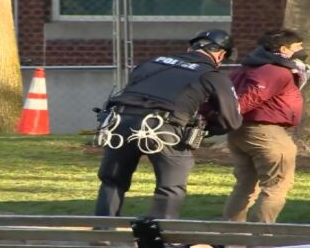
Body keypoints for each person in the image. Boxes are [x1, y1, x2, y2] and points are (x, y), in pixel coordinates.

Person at [93, 29, 242, 223]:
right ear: (221, 55)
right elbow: (231, 120)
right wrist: (205, 130)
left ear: (190, 47)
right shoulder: (212, 75)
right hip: (162, 128)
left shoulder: (152, 63)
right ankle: (159, 237)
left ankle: (103, 234)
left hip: (119, 122)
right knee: (170, 186)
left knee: (112, 180)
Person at [223, 28, 310, 224]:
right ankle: (259, 239)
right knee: (276, 186)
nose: (302, 50)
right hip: (266, 133)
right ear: (283, 49)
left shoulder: (244, 69)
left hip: (239, 131)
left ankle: (230, 238)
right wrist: (231, 114)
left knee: (245, 186)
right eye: (298, 46)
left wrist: (223, 120)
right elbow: (252, 97)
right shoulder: (275, 70)